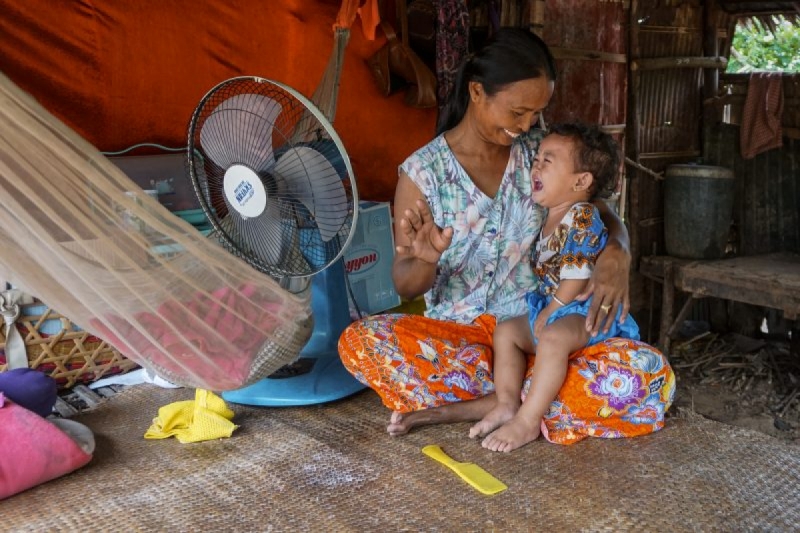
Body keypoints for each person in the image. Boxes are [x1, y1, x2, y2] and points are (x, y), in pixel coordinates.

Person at [338, 28, 674, 445]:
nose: (528, 124)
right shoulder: (424, 173)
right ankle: (532, 398)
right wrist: (425, 258)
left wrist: (618, 249)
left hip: (534, 331)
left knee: (646, 374)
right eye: (518, 112)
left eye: (536, 112)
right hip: (462, 341)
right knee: (362, 343)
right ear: (477, 93)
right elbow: (404, 282)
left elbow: (599, 210)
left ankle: (503, 399)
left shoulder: (541, 152)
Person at [471, 123, 642, 453]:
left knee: (552, 338)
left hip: (584, 308)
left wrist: (551, 310)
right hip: (556, 306)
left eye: (548, 161)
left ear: (581, 182)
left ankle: (528, 420)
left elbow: (577, 276)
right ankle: (506, 403)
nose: (536, 165)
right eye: (537, 158)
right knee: (506, 332)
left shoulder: (580, 216)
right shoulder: (550, 216)